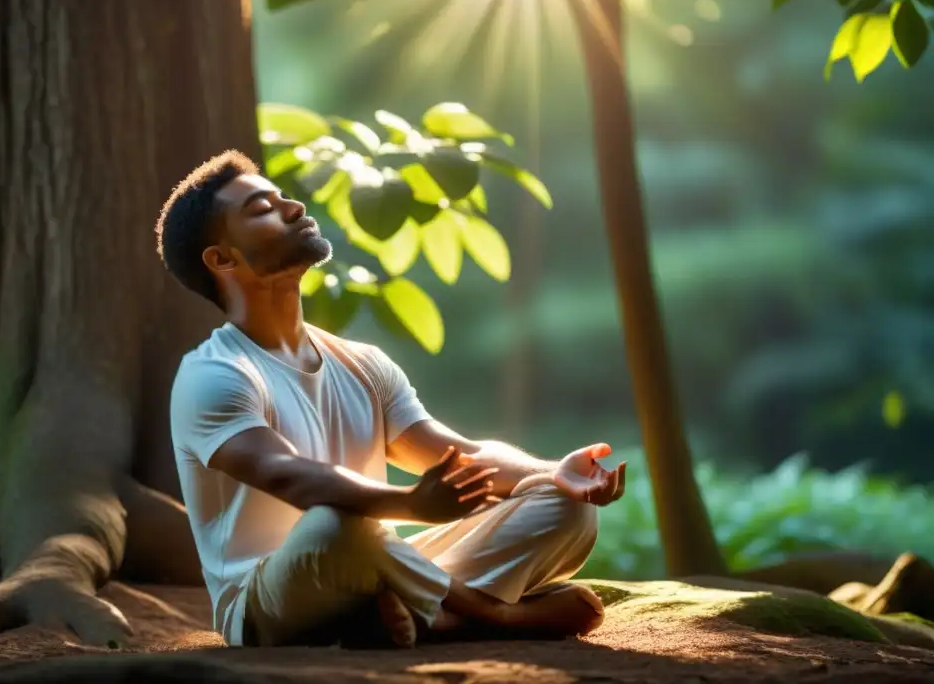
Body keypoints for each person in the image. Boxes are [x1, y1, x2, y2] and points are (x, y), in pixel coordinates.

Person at [155, 150, 628, 649]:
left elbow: (459, 456)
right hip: (274, 598)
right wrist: (410, 503)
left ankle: (417, 618)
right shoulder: (212, 375)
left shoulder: (363, 362)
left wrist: (553, 473)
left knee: (566, 505)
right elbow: (290, 477)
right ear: (223, 259)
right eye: (262, 208)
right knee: (336, 521)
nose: (294, 208)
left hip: (378, 566)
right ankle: (489, 616)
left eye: (284, 197)